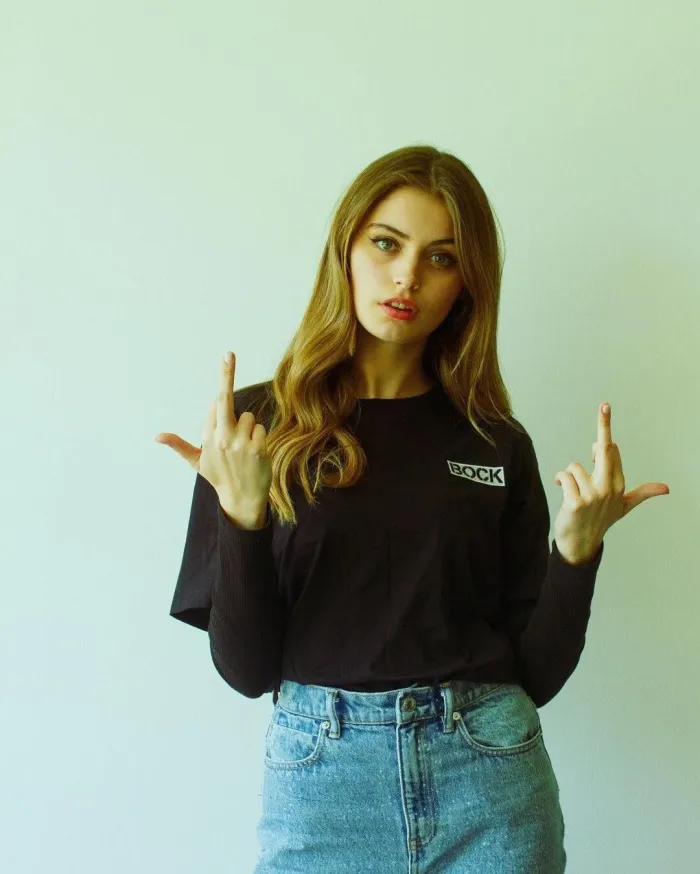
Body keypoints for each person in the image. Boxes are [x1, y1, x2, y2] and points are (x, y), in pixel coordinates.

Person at [156, 145, 608, 873]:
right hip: (322, 787)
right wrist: (241, 516)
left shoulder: (494, 442)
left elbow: (537, 674)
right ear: (346, 249)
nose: (407, 277)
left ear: (467, 283)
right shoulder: (254, 429)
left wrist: (577, 554)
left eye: (441, 258)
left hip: (489, 780)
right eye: (387, 244)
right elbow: (246, 670)